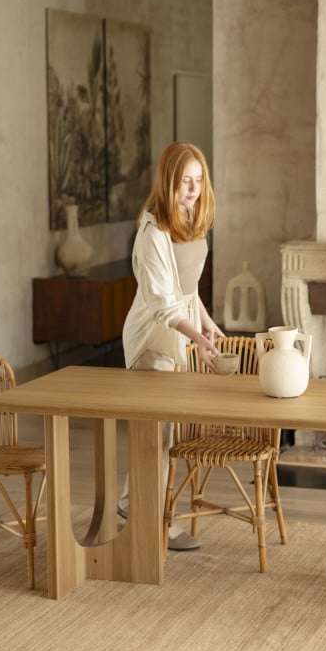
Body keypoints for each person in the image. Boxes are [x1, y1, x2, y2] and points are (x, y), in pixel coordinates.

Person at [118, 141, 224, 550]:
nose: (193, 189)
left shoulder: (189, 217)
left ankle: (135, 506)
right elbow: (163, 302)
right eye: (185, 181)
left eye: (199, 180)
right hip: (152, 340)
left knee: (163, 432)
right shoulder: (152, 230)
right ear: (168, 181)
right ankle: (157, 520)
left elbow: (188, 289)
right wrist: (196, 336)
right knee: (157, 434)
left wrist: (208, 324)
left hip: (178, 336)